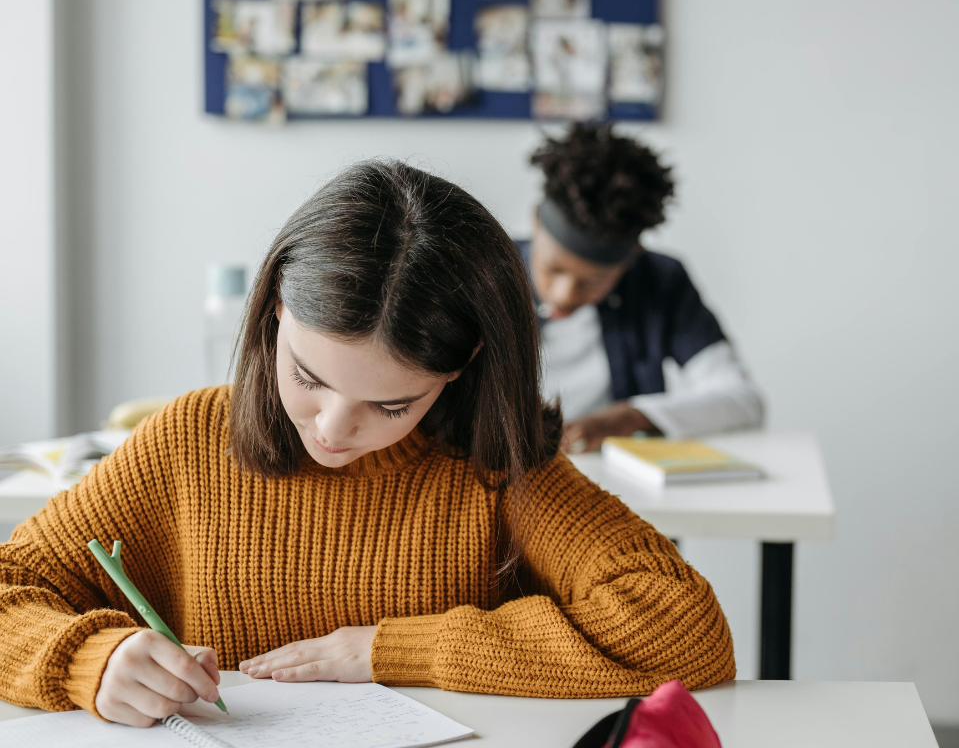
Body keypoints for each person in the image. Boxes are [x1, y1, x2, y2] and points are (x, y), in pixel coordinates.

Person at [0, 161, 735, 727]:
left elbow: (683, 630)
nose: (332, 427)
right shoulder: (192, 439)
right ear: (275, 312)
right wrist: (91, 661)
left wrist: (395, 649)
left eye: (390, 404)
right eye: (308, 377)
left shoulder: (497, 464)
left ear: (461, 368)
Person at [522, 123, 765, 453]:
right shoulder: (481, 272)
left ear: (631, 257)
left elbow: (742, 400)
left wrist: (632, 417)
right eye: (553, 268)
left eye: (593, 281)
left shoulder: (660, 280)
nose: (564, 294)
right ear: (535, 221)